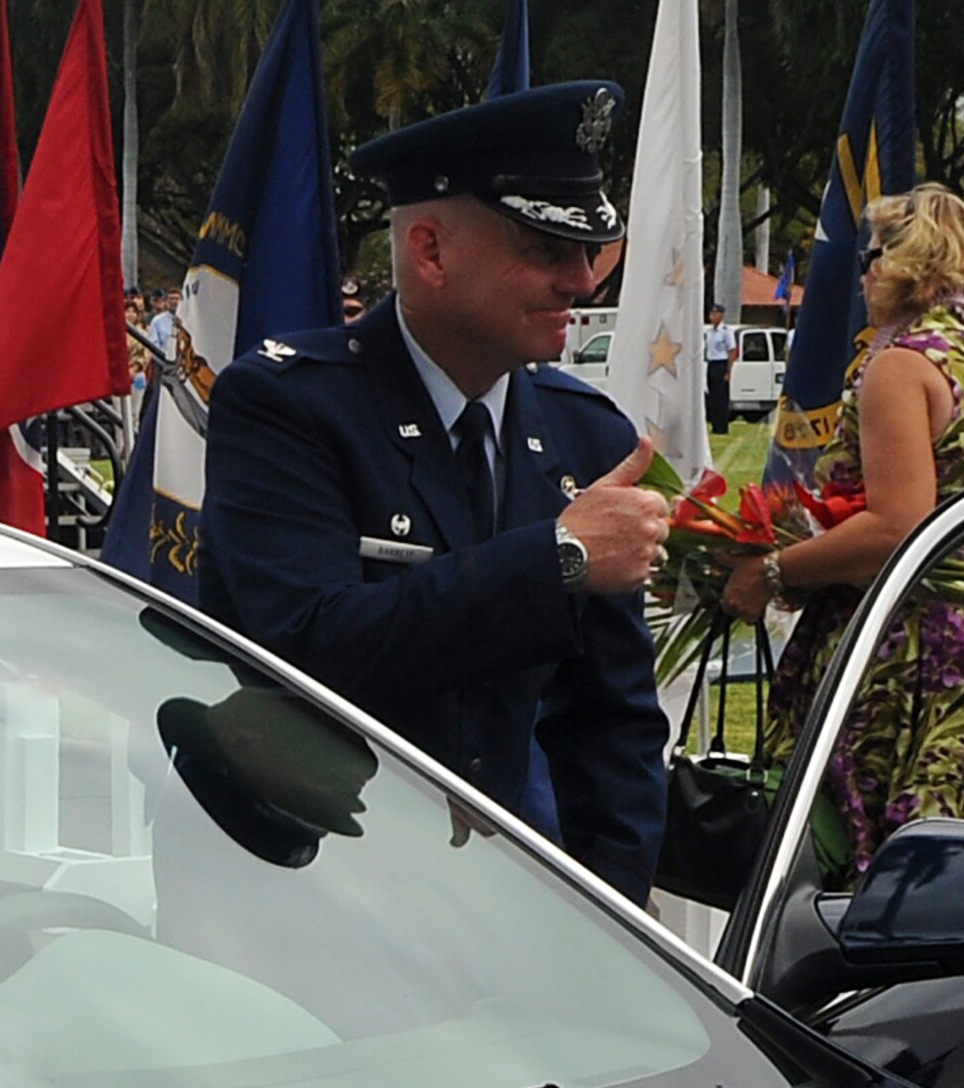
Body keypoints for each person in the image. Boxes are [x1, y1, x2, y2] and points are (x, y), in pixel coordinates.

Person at [199, 81, 670, 904]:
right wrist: (557, 557)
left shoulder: (582, 434)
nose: (581, 281)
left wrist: (611, 918)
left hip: (501, 910)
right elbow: (314, 645)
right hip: (307, 892)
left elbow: (612, 725)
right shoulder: (286, 407)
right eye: (545, 247)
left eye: (587, 249)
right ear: (429, 250)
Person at [721, 183, 964, 876]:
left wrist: (775, 571)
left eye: (872, 256)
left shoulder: (901, 366)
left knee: (878, 876)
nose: (864, 272)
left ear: (907, 263)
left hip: (909, 659)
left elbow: (896, 526)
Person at [704, 303, 736, 434]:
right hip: (712, 363)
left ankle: (722, 426)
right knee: (712, 396)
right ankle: (715, 425)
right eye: (711, 314)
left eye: (715, 314)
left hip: (721, 363)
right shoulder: (709, 332)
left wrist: (728, 370)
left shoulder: (726, 332)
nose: (712, 316)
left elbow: (732, 351)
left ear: (721, 315)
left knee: (721, 397)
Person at [148, 289, 178, 360]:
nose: (174, 302)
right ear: (166, 301)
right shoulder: (157, 321)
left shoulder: (188, 320)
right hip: (163, 361)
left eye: (177, 299)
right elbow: (153, 343)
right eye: (171, 299)